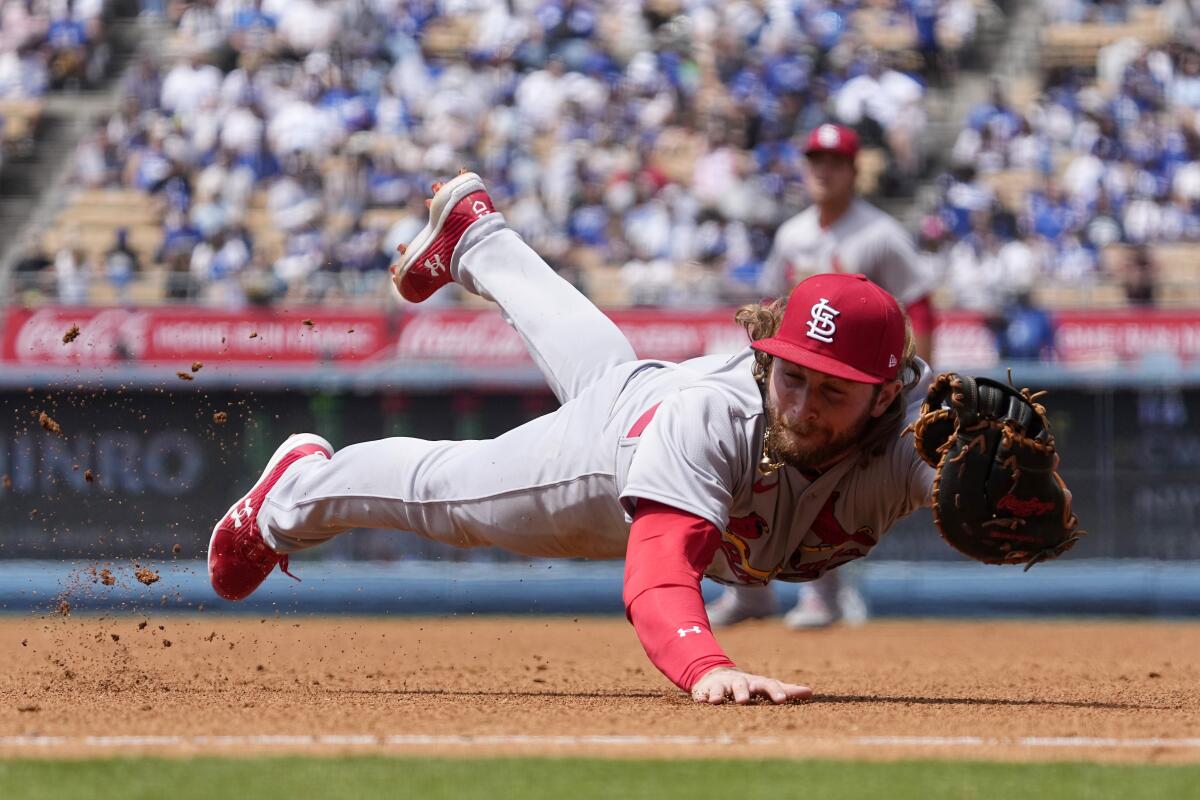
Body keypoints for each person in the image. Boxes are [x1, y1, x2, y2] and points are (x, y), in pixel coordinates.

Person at [208, 172, 935, 705]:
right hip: (605, 461)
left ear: (885, 395)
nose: (804, 406)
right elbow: (657, 572)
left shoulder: (914, 434)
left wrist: (1023, 522)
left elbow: (982, 492)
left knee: (602, 367)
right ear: (767, 357)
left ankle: (479, 237)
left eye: (832, 390)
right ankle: (293, 494)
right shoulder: (717, 420)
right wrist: (705, 664)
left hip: (643, 392)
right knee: (449, 495)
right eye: (792, 377)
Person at [722, 123, 936, 631]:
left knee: (827, 480)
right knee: (753, 470)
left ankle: (826, 595)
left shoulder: (878, 233)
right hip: (797, 380)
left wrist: (919, 385)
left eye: (834, 162)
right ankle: (750, 590)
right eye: (815, 161)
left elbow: (921, 305)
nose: (823, 170)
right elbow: (770, 307)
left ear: (853, 171)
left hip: (856, 387)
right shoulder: (792, 234)